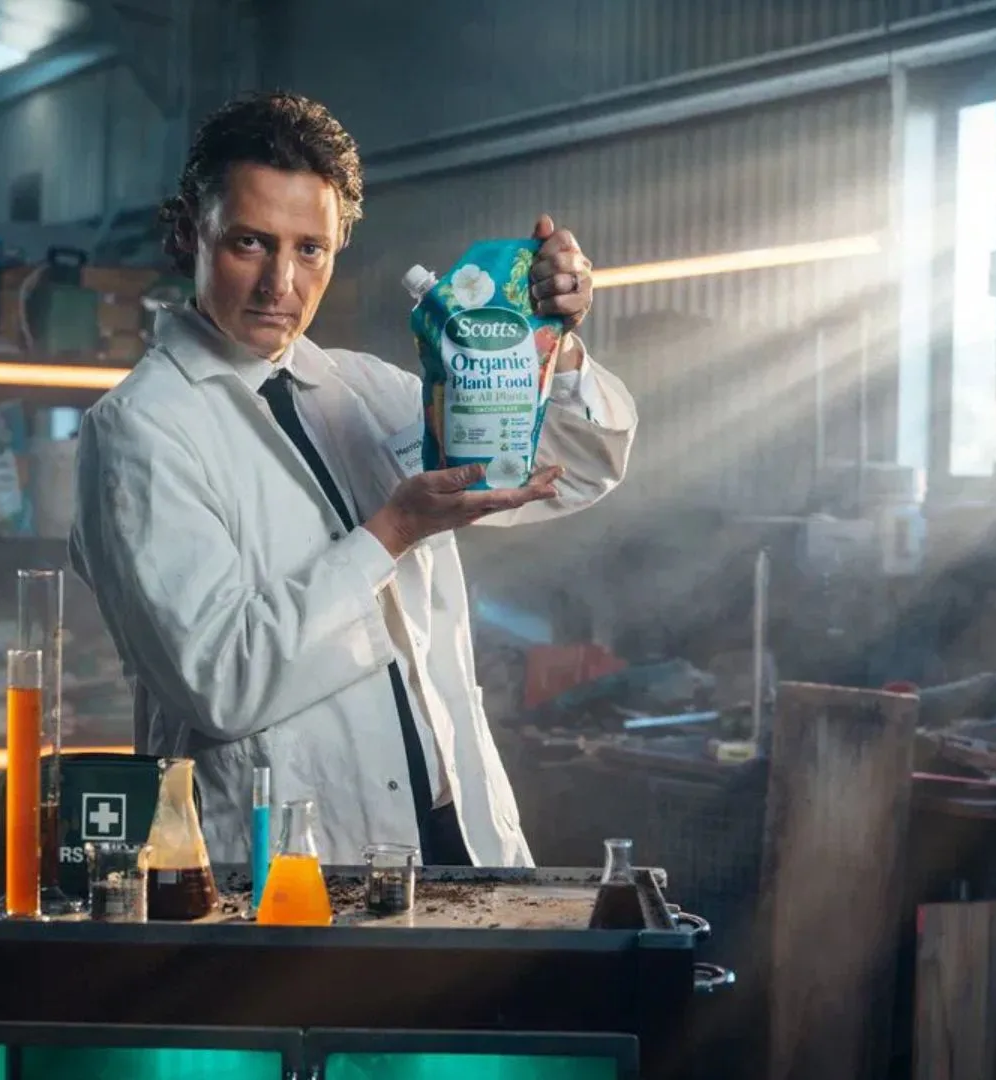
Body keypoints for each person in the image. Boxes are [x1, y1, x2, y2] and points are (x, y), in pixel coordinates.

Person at [70, 90, 638, 868]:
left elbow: (576, 470)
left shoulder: (366, 392)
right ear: (185, 233)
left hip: (457, 836)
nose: (282, 283)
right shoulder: (141, 429)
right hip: (292, 860)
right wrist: (391, 533)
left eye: (311, 249)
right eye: (249, 242)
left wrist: (554, 348)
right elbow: (220, 681)